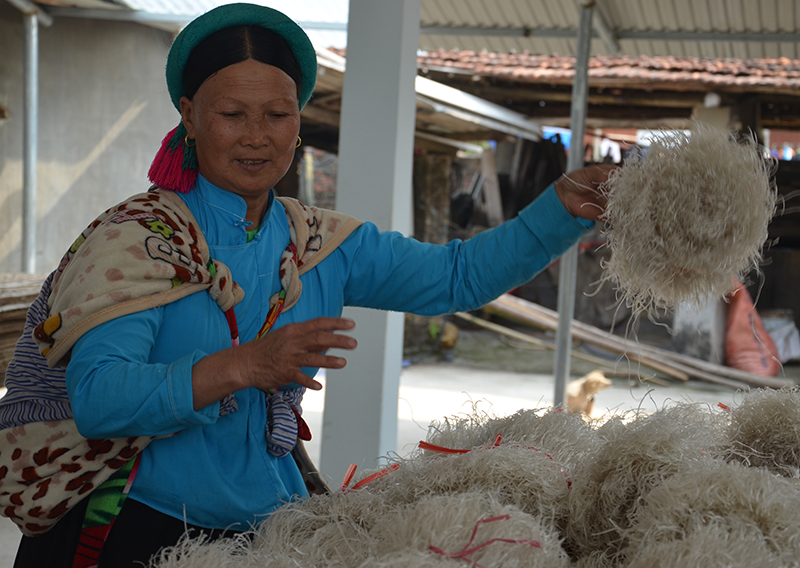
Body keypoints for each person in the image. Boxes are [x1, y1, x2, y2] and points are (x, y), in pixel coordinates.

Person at [1, 4, 613, 566]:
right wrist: (245, 365)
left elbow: (456, 277)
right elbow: (101, 399)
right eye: (232, 114)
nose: (257, 136)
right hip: (127, 533)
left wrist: (560, 208)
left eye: (277, 114)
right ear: (189, 115)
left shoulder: (319, 244)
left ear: (299, 123)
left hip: (267, 536)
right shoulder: (136, 242)